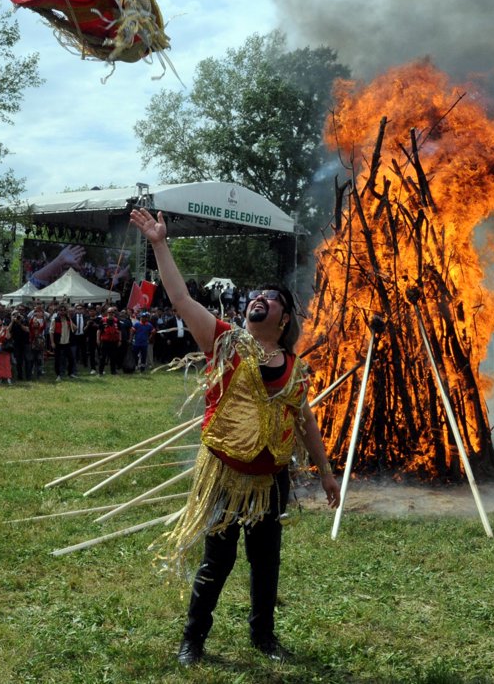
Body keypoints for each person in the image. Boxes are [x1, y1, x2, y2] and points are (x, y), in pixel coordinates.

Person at [129, 207, 341, 667]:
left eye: (272, 297)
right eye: (257, 295)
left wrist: (326, 473)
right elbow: (180, 298)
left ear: (284, 319)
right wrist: (160, 244)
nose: (259, 298)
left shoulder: (295, 369)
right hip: (225, 474)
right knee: (217, 561)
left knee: (266, 563)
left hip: (271, 480)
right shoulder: (223, 341)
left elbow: (306, 422)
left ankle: (263, 636)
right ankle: (193, 640)